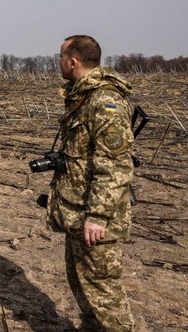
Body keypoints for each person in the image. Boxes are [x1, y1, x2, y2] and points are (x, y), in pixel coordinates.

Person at [47, 35, 136, 332]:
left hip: (96, 219)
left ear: (72, 62)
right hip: (78, 213)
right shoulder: (82, 96)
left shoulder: (104, 102)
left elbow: (115, 165)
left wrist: (97, 216)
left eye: (60, 56)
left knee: (104, 295)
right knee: (82, 286)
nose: (58, 62)